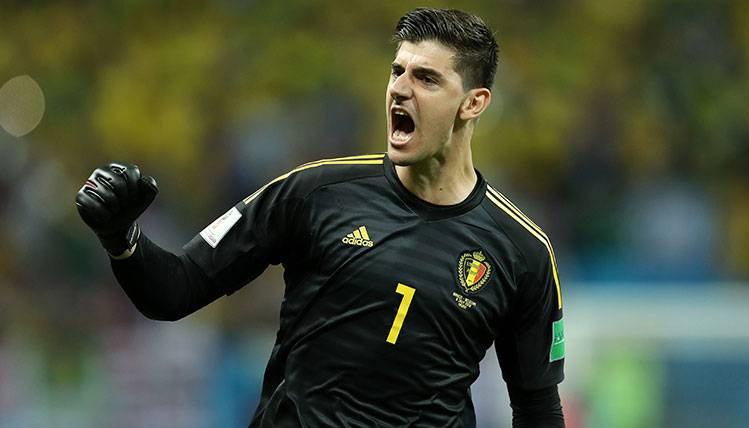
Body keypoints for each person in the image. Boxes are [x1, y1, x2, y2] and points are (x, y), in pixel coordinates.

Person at [75, 7, 565, 427]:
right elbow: (174, 289)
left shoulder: (522, 251)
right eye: (398, 71)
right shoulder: (314, 192)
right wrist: (122, 238)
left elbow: (537, 406)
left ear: (473, 103)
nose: (400, 89)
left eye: (427, 79)